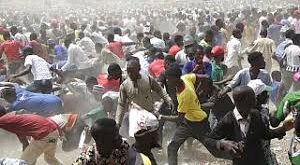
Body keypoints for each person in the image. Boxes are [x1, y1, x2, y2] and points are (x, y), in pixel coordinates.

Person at [205, 86, 292, 165]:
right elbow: (208, 139)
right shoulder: (228, 120)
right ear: (245, 101)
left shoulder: (256, 114)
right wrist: (222, 143)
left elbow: (265, 134)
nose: (256, 99)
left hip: (259, 161)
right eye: (253, 97)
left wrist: (282, 129)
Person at [164, 63, 213, 165]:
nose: (167, 81)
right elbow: (206, 77)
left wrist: (162, 117)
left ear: (176, 78)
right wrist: (198, 92)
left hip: (199, 124)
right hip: (188, 122)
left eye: (169, 79)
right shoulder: (185, 78)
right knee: (172, 147)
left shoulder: (185, 95)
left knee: (214, 147)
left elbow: (179, 118)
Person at [116, 58, 173, 125]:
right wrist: (118, 122)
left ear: (138, 69)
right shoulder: (124, 85)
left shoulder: (148, 79)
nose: (130, 74)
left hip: (150, 113)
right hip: (136, 117)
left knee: (156, 130)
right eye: (128, 71)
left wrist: (168, 100)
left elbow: (159, 90)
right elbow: (121, 104)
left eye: (132, 71)